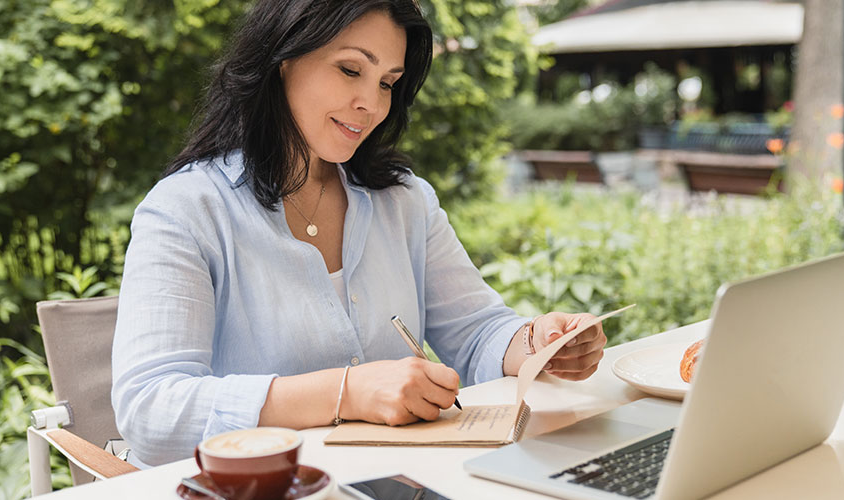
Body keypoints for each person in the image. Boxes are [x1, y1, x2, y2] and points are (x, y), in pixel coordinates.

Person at [111, 0, 607, 468]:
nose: (370, 103)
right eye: (351, 70)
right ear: (283, 57)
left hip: (410, 484)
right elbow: (150, 410)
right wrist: (345, 391)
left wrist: (537, 343)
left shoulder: (405, 202)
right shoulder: (186, 211)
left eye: (388, 82)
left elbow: (477, 332)